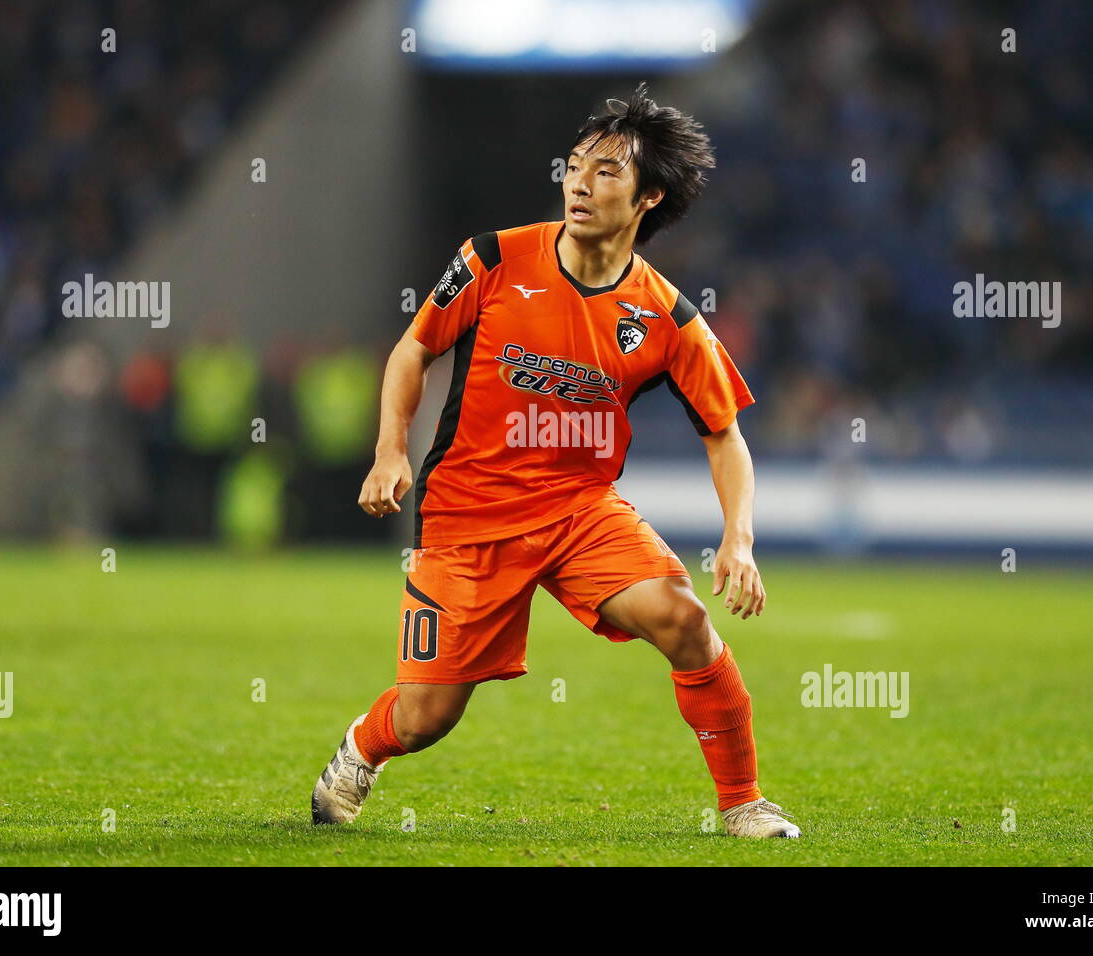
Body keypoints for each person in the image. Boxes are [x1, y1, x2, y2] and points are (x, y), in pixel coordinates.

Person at [313, 84, 799, 838]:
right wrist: (388, 451)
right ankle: (357, 752)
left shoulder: (665, 315)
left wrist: (739, 536)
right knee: (426, 715)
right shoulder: (494, 258)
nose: (580, 182)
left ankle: (743, 803)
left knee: (683, 620)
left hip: (579, 511)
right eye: (576, 166)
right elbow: (414, 347)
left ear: (648, 197)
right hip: (467, 514)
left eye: (606, 172)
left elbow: (723, 431)